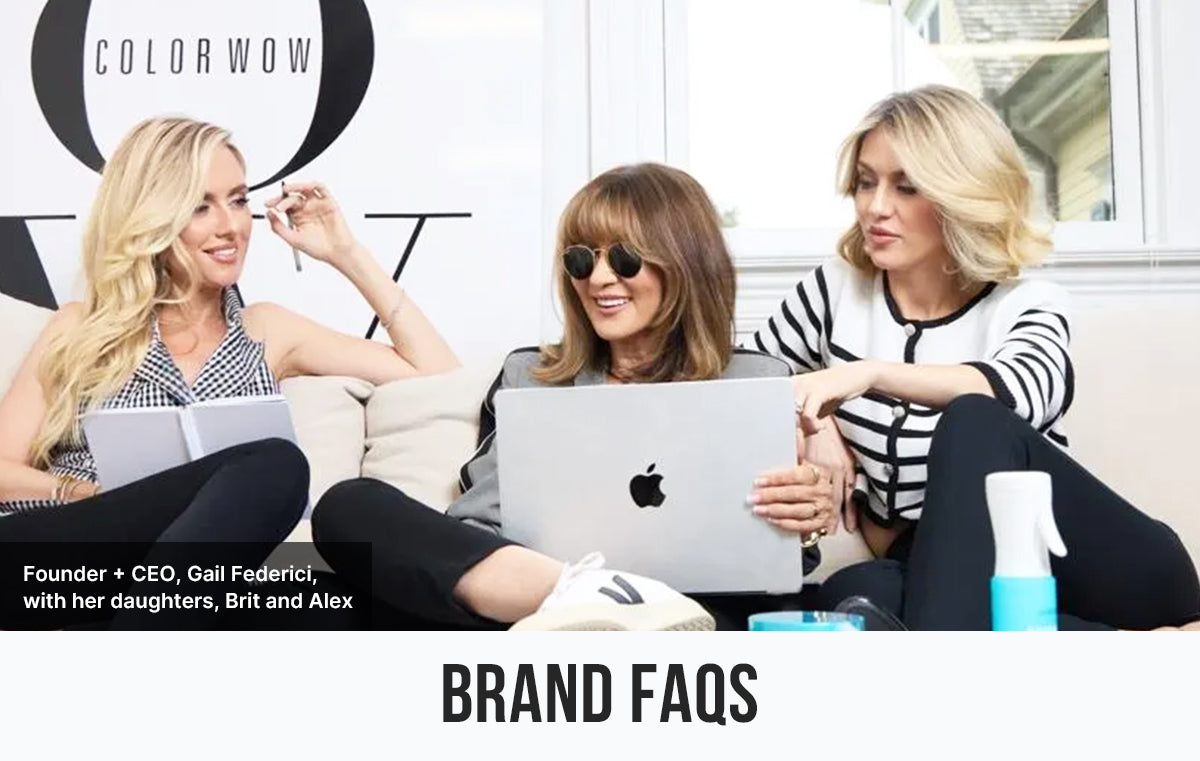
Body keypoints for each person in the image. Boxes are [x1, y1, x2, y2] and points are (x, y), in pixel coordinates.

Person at [750, 85, 1200, 630]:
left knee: (974, 420)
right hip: (953, 578)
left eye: (907, 186)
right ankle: (1126, 648)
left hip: (1098, 568)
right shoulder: (837, 291)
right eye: (866, 182)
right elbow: (746, 376)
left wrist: (862, 376)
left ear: (961, 193)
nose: (875, 207)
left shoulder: (1025, 301)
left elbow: (1020, 390)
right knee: (858, 591)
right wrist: (814, 424)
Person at [311, 162, 830, 631]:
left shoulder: (754, 380)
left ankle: (626, 608)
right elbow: (475, 529)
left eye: (625, 259)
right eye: (583, 259)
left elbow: (774, 562)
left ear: (685, 264)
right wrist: (546, 583)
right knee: (348, 508)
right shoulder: (531, 376)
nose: (599, 278)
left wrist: (804, 524)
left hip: (696, 611)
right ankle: (592, 598)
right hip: (536, 616)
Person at [0, 116, 458, 628]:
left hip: (209, 577)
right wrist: (89, 494)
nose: (230, 226)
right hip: (68, 561)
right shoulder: (80, 327)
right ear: (152, 217)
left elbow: (435, 373)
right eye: (201, 206)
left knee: (355, 582)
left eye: (238, 200)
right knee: (274, 464)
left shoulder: (268, 329)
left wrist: (345, 253)